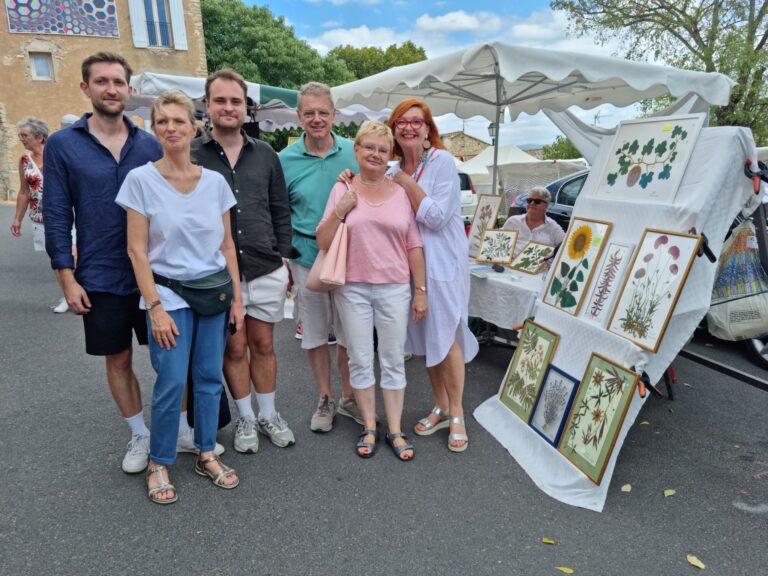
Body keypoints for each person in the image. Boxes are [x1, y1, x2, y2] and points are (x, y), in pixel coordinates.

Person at [117, 90, 244, 504]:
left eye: (178, 121)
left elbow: (227, 247)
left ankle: (206, 451)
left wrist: (238, 300)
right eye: (162, 122)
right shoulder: (141, 180)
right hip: (167, 295)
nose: (170, 128)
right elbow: (137, 250)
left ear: (194, 127)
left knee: (208, 378)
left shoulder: (215, 183)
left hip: (213, 292)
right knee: (172, 380)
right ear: (154, 130)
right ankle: (159, 460)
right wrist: (153, 307)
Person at [43, 52, 165, 474]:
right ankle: (140, 434)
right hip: (99, 273)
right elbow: (57, 212)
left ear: (129, 90)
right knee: (118, 358)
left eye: (118, 82)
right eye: (102, 81)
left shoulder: (150, 143)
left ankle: (179, 427)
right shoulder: (63, 145)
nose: (111, 89)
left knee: (169, 356)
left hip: (155, 272)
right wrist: (66, 277)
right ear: (86, 88)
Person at [192, 69, 297, 453]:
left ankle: (268, 412)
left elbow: (279, 209)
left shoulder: (265, 153)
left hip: (264, 264)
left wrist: (284, 257)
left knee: (264, 344)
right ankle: (246, 418)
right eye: (220, 100)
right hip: (217, 272)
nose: (228, 107)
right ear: (207, 106)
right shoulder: (192, 155)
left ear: (246, 107)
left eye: (235, 101)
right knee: (233, 349)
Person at [317, 121, 426, 461]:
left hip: (394, 287)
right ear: (357, 150)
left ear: (388, 154)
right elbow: (322, 240)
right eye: (370, 148)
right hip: (353, 288)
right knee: (360, 359)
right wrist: (341, 209)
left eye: (382, 149)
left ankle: (394, 428)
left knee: (393, 360)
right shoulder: (343, 189)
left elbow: (414, 245)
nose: (376, 154)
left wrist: (420, 290)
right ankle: (368, 425)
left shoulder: (400, 193)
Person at [387, 99, 480, 453]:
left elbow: (437, 217)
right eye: (401, 122)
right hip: (411, 266)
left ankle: (457, 411)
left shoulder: (441, 161)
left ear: (428, 130)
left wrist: (405, 181)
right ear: (394, 129)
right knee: (427, 338)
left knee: (447, 335)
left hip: (442, 265)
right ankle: (440, 405)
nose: (408, 127)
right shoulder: (392, 167)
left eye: (416, 122)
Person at [279, 82, 362, 432]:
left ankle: (349, 397)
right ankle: (325, 398)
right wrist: (283, 261)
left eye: (323, 112)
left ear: (334, 115)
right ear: (298, 116)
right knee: (313, 333)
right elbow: (278, 213)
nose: (316, 119)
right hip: (306, 258)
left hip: (350, 258)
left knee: (349, 333)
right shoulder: (284, 160)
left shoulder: (354, 153)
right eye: (309, 112)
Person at [10, 117, 70, 313]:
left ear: (40, 137)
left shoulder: (59, 154)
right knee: (56, 257)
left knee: (74, 254)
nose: (22, 139)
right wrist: (17, 219)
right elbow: (23, 191)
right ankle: (68, 296)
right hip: (40, 217)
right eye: (21, 136)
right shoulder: (24, 160)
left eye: (25, 135)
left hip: (68, 213)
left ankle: (79, 290)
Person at [502, 185, 566, 257]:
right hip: (509, 265)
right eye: (529, 200)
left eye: (537, 201)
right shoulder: (513, 221)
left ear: (546, 205)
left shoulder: (553, 227)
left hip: (541, 267)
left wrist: (552, 255)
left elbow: (565, 247)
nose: (532, 203)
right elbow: (500, 244)